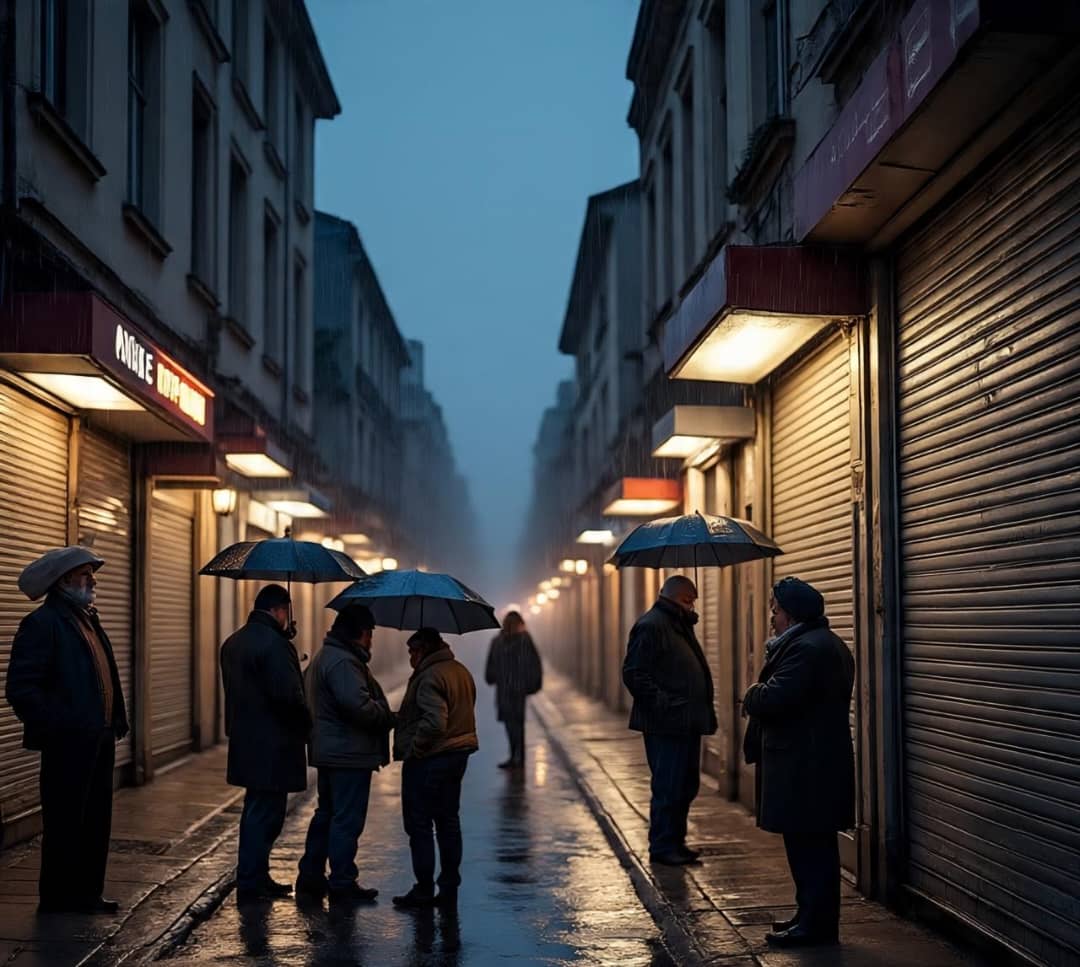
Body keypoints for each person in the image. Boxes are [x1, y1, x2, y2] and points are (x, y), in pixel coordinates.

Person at [6, 546, 130, 914]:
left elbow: (104, 676)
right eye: (85, 575)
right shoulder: (43, 624)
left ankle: (87, 894)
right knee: (65, 824)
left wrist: (114, 722)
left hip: (99, 738)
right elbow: (22, 689)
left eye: (92, 574)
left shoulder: (87, 618)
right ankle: (58, 899)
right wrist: (61, 728)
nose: (93, 581)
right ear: (63, 582)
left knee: (95, 821)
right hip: (69, 743)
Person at [742, 576, 855, 949]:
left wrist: (753, 691)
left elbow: (775, 700)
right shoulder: (820, 643)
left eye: (775, 611)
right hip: (810, 763)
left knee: (811, 849)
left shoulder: (807, 649)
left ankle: (816, 926)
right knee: (810, 847)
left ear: (791, 615)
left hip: (807, 767)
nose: (771, 617)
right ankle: (809, 916)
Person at [296, 604, 394, 903]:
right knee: (346, 819)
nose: (372, 642)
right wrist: (388, 714)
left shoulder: (328, 656)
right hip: (347, 753)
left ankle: (311, 876)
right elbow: (359, 708)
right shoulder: (343, 663)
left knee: (327, 815)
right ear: (361, 633)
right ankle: (341, 881)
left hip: (332, 751)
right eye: (370, 635)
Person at [220, 583, 311, 904]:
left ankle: (256, 876)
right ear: (279, 610)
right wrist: (306, 727)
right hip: (274, 743)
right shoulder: (275, 645)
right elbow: (288, 697)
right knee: (267, 815)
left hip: (246, 740)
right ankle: (251, 881)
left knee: (256, 810)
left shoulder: (233, 642)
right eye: (289, 611)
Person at [622, 574, 716, 867]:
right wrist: (665, 703)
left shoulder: (676, 624)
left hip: (685, 722)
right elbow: (634, 672)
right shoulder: (652, 625)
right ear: (683, 598)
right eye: (692, 600)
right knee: (668, 785)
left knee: (685, 785)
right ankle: (663, 846)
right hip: (667, 723)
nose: (694, 606)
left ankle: (676, 842)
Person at [392, 627, 478, 910]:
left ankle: (424, 889)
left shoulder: (429, 676)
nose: (411, 658)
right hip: (458, 754)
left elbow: (435, 722)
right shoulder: (459, 670)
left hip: (432, 758)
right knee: (448, 822)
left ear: (425, 649)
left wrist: (415, 749)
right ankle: (449, 885)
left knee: (420, 824)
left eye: (413, 652)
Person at [484, 610, 542, 769]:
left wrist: (533, 683)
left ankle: (518, 756)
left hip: (517, 689)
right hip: (506, 689)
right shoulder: (498, 641)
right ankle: (515, 755)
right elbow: (492, 663)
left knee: (516, 723)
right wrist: (491, 675)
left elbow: (534, 662)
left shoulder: (523, 640)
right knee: (511, 723)